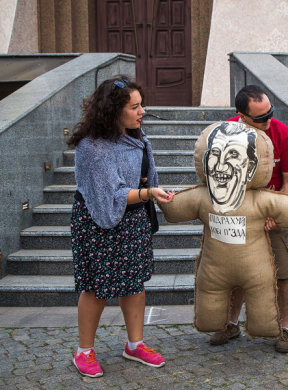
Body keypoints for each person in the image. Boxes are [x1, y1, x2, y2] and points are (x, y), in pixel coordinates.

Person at [67, 76, 175, 377]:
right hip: (97, 221)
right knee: (97, 287)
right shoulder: (92, 148)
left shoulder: (137, 138)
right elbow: (109, 195)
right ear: (113, 110)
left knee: (134, 281)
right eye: (135, 107)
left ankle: (134, 344)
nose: (142, 112)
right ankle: (84, 351)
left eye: (142, 105)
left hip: (133, 218)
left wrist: (156, 191)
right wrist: (148, 193)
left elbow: (144, 178)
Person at [210, 85, 288, 353]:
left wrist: (275, 212)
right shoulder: (222, 134)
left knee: (284, 273)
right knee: (235, 273)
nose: (268, 121)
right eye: (261, 117)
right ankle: (230, 323)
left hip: (275, 214)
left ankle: (284, 328)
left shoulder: (283, 134)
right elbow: (216, 178)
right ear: (242, 116)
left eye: (270, 113)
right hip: (237, 217)